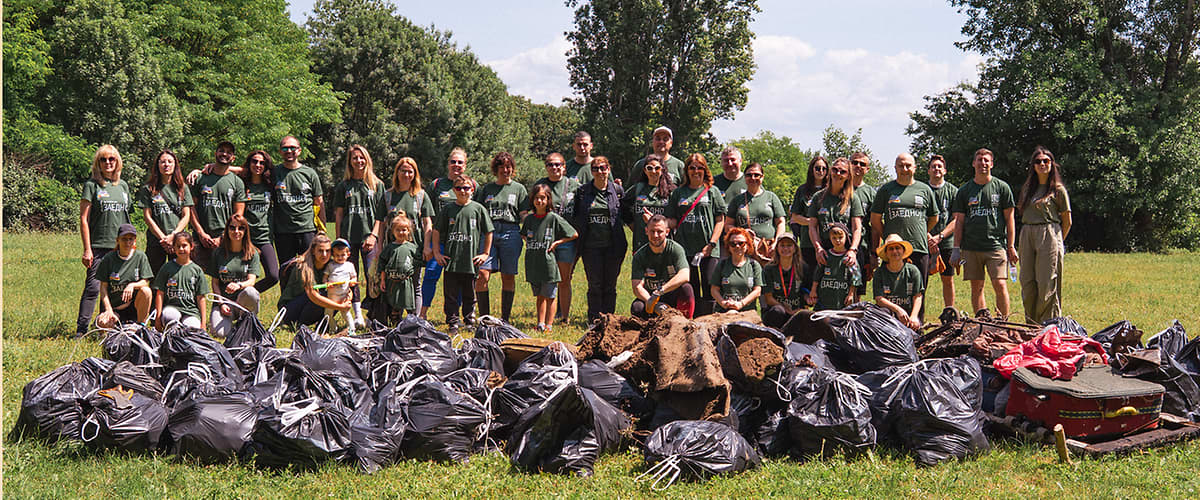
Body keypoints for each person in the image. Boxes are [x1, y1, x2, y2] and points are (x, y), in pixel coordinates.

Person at [869, 153, 938, 321]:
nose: (905, 169)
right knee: (891, 292)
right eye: (901, 166)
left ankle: (916, 328)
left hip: (919, 249)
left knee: (918, 292)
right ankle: (888, 330)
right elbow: (875, 219)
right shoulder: (886, 190)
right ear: (895, 168)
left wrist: (920, 232)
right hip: (892, 250)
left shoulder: (924, 189)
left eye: (908, 165)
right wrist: (888, 236)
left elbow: (934, 218)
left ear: (915, 168)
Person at [951, 148, 1017, 319]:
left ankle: (1003, 322)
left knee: (1000, 284)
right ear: (974, 163)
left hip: (995, 245)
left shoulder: (1002, 188)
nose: (983, 163)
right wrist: (956, 248)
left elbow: (1010, 218)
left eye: (986, 160)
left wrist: (1011, 246)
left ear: (992, 164)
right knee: (976, 286)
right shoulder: (965, 191)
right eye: (979, 160)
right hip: (971, 247)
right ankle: (983, 321)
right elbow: (959, 222)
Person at [77, 145, 134, 336]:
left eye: (112, 159)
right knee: (93, 288)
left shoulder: (123, 186)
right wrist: (87, 249)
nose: (108, 163)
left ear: (117, 162)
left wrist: (131, 244)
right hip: (98, 246)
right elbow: (84, 219)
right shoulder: (91, 185)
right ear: (98, 163)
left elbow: (126, 219)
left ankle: (104, 329)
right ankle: (81, 331)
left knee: (112, 290)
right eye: (103, 159)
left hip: (120, 248)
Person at [1017, 146, 1072, 323]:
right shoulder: (1027, 189)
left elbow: (1067, 221)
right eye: (1038, 161)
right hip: (1027, 234)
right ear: (1033, 165)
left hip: (1049, 233)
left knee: (1047, 283)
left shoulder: (1058, 190)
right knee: (1027, 282)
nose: (1042, 164)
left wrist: (1056, 242)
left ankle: (1048, 326)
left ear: (1052, 164)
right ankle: (1030, 325)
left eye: (1046, 161)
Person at [432, 175, 494, 331]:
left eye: (466, 188)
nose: (462, 191)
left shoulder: (478, 209)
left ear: (472, 190)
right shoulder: (448, 209)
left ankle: (469, 321)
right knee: (450, 295)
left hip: (470, 261)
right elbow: (436, 230)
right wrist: (437, 253)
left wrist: (485, 253)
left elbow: (489, 232)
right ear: (454, 190)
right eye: (459, 188)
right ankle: (452, 322)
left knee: (469, 294)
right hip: (451, 261)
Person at [667, 153, 726, 316]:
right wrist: (660, 223)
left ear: (705, 170)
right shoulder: (678, 193)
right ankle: (692, 320)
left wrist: (712, 244)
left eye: (699, 167)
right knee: (690, 286)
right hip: (684, 249)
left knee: (709, 285)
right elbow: (672, 219)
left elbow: (720, 220)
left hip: (708, 249)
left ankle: (708, 320)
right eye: (692, 167)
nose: (696, 171)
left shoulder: (712, 191)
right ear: (686, 171)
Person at [570, 156, 626, 322]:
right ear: (591, 171)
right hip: (590, 246)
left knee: (610, 285)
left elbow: (627, 215)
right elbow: (576, 217)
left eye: (603, 168)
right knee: (594, 285)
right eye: (596, 168)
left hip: (613, 246)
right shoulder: (583, 192)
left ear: (608, 169)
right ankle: (594, 320)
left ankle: (609, 321)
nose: (600, 172)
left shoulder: (617, 191)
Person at [474, 152, 528, 322]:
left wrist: (530, 233)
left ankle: (505, 319)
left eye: (508, 166)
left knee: (508, 275)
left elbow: (524, 214)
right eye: (501, 167)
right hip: (489, 232)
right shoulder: (487, 189)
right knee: (482, 273)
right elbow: (479, 213)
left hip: (511, 232)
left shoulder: (519, 189)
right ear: (495, 169)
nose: (505, 170)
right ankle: (484, 318)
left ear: (512, 168)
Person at [379, 157, 434, 318]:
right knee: (394, 282)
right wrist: (380, 246)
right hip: (393, 248)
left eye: (410, 171)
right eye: (403, 170)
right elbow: (381, 223)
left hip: (415, 248)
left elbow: (427, 223)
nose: (406, 174)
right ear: (397, 172)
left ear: (415, 174)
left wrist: (427, 246)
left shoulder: (420, 195)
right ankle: (394, 318)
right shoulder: (388, 196)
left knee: (414, 284)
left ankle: (414, 320)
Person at [521, 184, 578, 332]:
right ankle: (540, 323)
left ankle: (549, 325)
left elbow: (573, 234)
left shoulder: (553, 218)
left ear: (548, 200)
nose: (539, 201)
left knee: (550, 296)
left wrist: (558, 242)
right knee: (539, 296)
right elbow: (523, 233)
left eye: (542, 198)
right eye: (536, 198)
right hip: (534, 263)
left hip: (549, 264)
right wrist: (529, 242)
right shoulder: (529, 219)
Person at [533, 152, 582, 322]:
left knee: (564, 279)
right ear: (546, 167)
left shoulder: (574, 185)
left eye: (558, 164)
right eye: (550, 165)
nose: (554, 168)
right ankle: (544, 318)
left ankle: (565, 317)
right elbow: (529, 211)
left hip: (566, 240)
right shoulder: (540, 185)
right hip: (545, 241)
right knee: (546, 279)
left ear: (564, 166)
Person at [421, 148, 469, 318]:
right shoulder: (436, 185)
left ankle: (459, 315)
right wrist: (428, 246)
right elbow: (426, 215)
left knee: (462, 280)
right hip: (439, 241)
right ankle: (423, 313)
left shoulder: (471, 185)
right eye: (453, 162)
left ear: (465, 164)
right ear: (448, 164)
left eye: (460, 162)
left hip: (461, 243)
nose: (456, 165)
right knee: (431, 276)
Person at [190, 141, 247, 269]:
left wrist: (223, 237)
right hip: (200, 237)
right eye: (221, 150)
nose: (224, 154)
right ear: (215, 153)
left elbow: (238, 214)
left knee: (224, 279)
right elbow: (191, 208)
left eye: (229, 152)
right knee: (195, 277)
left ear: (233, 158)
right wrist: (201, 233)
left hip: (225, 238)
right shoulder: (200, 178)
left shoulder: (237, 182)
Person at [807, 158, 863, 284]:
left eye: (842, 172)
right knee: (823, 288)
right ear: (830, 171)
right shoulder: (818, 197)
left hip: (847, 250)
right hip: (825, 250)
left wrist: (853, 250)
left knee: (851, 292)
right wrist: (818, 248)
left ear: (848, 176)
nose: (838, 174)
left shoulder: (853, 198)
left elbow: (857, 228)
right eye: (835, 170)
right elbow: (812, 227)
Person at [272, 135, 325, 264]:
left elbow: (319, 202)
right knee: (286, 271)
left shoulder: (310, 173)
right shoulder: (274, 172)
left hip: (307, 229)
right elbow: (250, 172)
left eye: (292, 148)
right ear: (280, 152)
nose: (289, 151)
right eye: (285, 148)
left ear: (299, 150)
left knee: (309, 269)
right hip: (283, 231)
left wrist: (322, 231)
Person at [277, 234, 350, 327]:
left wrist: (348, 297)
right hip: (289, 311)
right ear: (313, 251)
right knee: (322, 295)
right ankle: (301, 325)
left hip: (309, 305)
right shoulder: (303, 267)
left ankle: (323, 324)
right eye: (320, 251)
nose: (324, 255)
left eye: (327, 251)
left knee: (336, 292)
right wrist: (340, 307)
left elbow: (346, 286)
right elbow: (313, 296)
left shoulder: (332, 266)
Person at [207, 215, 262, 338]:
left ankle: (247, 322)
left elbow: (252, 280)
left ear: (245, 231)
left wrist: (238, 285)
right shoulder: (218, 253)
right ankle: (233, 325)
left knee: (251, 292)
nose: (236, 232)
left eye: (241, 228)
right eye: (232, 228)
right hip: (225, 303)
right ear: (227, 230)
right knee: (220, 334)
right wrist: (221, 304)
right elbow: (215, 283)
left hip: (242, 302)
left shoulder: (252, 253)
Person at [630, 215, 694, 318]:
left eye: (659, 231)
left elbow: (685, 275)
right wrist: (652, 302)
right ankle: (647, 330)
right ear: (646, 231)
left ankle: (685, 325)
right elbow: (637, 287)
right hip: (650, 297)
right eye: (652, 231)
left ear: (667, 232)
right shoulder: (640, 255)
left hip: (670, 294)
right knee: (637, 308)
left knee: (686, 289)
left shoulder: (675, 249)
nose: (655, 235)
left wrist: (660, 291)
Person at [139, 150, 193, 273]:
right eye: (163, 162)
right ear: (158, 165)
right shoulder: (149, 189)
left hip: (178, 241)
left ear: (175, 165)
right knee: (154, 278)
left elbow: (186, 215)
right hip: (156, 241)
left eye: (170, 162)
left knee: (177, 276)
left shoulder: (182, 188)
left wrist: (173, 236)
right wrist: (163, 238)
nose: (166, 165)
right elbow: (147, 217)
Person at [724, 162, 787, 261]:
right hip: (745, 249)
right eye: (749, 175)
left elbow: (781, 222)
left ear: (762, 177)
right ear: (745, 178)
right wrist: (742, 232)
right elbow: (727, 226)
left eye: (757, 175)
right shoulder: (737, 200)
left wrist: (777, 242)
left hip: (769, 248)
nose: (753, 178)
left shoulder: (771, 197)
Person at [94, 224, 154, 329]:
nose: (127, 243)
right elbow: (103, 287)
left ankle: (141, 326)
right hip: (116, 308)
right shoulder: (109, 259)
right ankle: (116, 325)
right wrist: (108, 309)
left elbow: (145, 281)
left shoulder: (140, 257)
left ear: (135, 241)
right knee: (102, 323)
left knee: (146, 291)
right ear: (117, 240)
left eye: (131, 239)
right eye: (124, 239)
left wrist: (132, 285)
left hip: (134, 306)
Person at [240, 150, 279, 292]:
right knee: (242, 275)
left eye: (262, 163)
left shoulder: (270, 184)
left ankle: (244, 294)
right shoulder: (242, 184)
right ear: (249, 163)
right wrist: (210, 166)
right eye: (254, 161)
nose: (258, 165)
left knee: (274, 276)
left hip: (264, 238)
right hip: (245, 239)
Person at [153, 233, 210, 331]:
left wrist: (203, 323)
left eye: (184, 246)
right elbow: (160, 293)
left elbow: (201, 298)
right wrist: (158, 319)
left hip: (190, 311)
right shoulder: (167, 267)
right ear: (174, 248)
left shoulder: (197, 270)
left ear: (191, 246)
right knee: (169, 318)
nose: (181, 249)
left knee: (192, 328)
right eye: (178, 246)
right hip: (172, 308)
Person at [621, 154, 675, 254]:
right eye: (649, 168)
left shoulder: (671, 191)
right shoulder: (638, 188)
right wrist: (633, 225)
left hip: (664, 244)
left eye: (657, 168)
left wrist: (655, 221)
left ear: (662, 170)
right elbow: (623, 205)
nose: (653, 171)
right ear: (645, 171)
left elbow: (677, 218)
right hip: (641, 243)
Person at [789, 156, 828, 292]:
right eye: (817, 168)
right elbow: (795, 217)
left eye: (824, 168)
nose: (821, 171)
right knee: (807, 282)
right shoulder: (802, 190)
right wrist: (811, 222)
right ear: (812, 170)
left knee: (825, 281)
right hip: (807, 243)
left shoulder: (831, 190)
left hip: (828, 243)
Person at [925, 154, 958, 311]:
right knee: (920, 281)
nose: (936, 169)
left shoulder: (953, 191)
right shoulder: (922, 189)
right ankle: (918, 316)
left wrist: (940, 237)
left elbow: (957, 219)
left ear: (944, 170)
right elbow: (917, 217)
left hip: (946, 242)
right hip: (923, 242)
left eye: (939, 166)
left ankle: (949, 312)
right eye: (933, 166)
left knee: (948, 280)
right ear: (928, 171)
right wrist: (928, 237)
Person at [873, 234, 925, 330]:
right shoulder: (879, 272)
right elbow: (879, 299)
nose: (895, 251)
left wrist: (914, 316)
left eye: (898, 248)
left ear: (903, 251)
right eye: (891, 249)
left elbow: (917, 296)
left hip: (908, 315)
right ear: (886, 253)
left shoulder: (913, 271)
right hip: (888, 315)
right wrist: (897, 310)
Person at [377, 213, 422, 323]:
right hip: (392, 282)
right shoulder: (389, 248)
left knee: (408, 302)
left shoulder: (412, 248)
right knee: (394, 303)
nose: (401, 232)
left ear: (409, 231)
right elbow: (382, 264)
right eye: (398, 230)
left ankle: (413, 321)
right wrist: (382, 280)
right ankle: (396, 322)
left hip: (406, 282)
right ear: (393, 231)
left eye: (404, 230)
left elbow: (418, 262)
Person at [807, 222, 860, 311]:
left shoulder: (849, 257)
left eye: (840, 238)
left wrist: (851, 294)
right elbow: (817, 274)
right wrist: (813, 290)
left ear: (846, 237)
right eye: (834, 238)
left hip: (842, 296)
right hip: (825, 296)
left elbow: (856, 277)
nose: (837, 240)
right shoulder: (826, 255)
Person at [712, 227, 763, 312]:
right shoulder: (722, 264)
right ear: (728, 246)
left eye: (741, 243)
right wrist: (724, 303)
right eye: (733, 244)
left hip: (747, 312)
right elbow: (714, 290)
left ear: (747, 245)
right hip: (724, 312)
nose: (737, 246)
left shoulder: (754, 265)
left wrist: (741, 304)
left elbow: (757, 290)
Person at [761, 232, 806, 328]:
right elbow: (769, 299)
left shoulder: (803, 267)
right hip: (776, 312)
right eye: (782, 245)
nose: (785, 249)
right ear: (777, 248)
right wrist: (788, 310)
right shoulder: (769, 269)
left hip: (796, 310)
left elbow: (805, 291)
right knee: (778, 311)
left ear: (795, 248)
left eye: (789, 245)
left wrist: (808, 300)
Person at [324, 238, 364, 333]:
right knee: (328, 314)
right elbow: (325, 277)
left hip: (343, 296)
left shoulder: (349, 265)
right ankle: (333, 328)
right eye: (337, 255)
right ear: (333, 255)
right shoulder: (330, 265)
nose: (340, 257)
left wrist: (352, 282)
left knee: (346, 314)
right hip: (331, 297)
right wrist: (327, 283)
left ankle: (352, 329)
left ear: (348, 254)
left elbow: (354, 277)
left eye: (343, 255)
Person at [850, 152, 876, 291]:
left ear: (867, 169)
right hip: (837, 244)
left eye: (862, 164)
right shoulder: (839, 188)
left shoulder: (871, 193)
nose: (858, 166)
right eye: (855, 162)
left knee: (857, 288)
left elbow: (875, 226)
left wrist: (874, 253)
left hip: (861, 246)